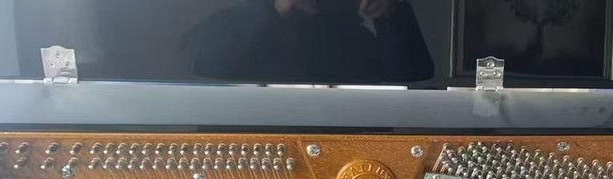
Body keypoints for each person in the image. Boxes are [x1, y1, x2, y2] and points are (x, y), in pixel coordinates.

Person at [184, 0, 434, 83]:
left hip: (353, 159)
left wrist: (391, 15)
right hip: (256, 158)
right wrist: (274, 9)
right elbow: (200, 63)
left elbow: (416, 79)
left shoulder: (359, 38)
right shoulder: (235, 22)